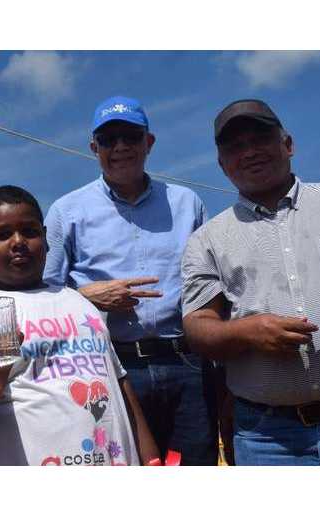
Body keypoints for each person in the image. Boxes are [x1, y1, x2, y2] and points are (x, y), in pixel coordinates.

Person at [182, 99, 320, 466]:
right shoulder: (206, 240)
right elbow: (197, 326)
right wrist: (246, 332)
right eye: (235, 146)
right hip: (269, 440)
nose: (249, 152)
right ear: (222, 164)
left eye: (261, 139)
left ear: (288, 144)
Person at [44, 96, 218, 465]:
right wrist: (87, 296)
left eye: (130, 136)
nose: (120, 146)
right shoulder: (66, 212)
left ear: (148, 142)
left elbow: (214, 283)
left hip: (187, 364)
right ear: (94, 148)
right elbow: (43, 297)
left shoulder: (188, 203)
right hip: (111, 368)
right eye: (108, 139)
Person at [0, 185, 159, 466]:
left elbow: (119, 381)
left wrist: (151, 457)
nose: (18, 242)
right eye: (2, 234)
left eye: (30, 231)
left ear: (45, 239)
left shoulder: (79, 301)